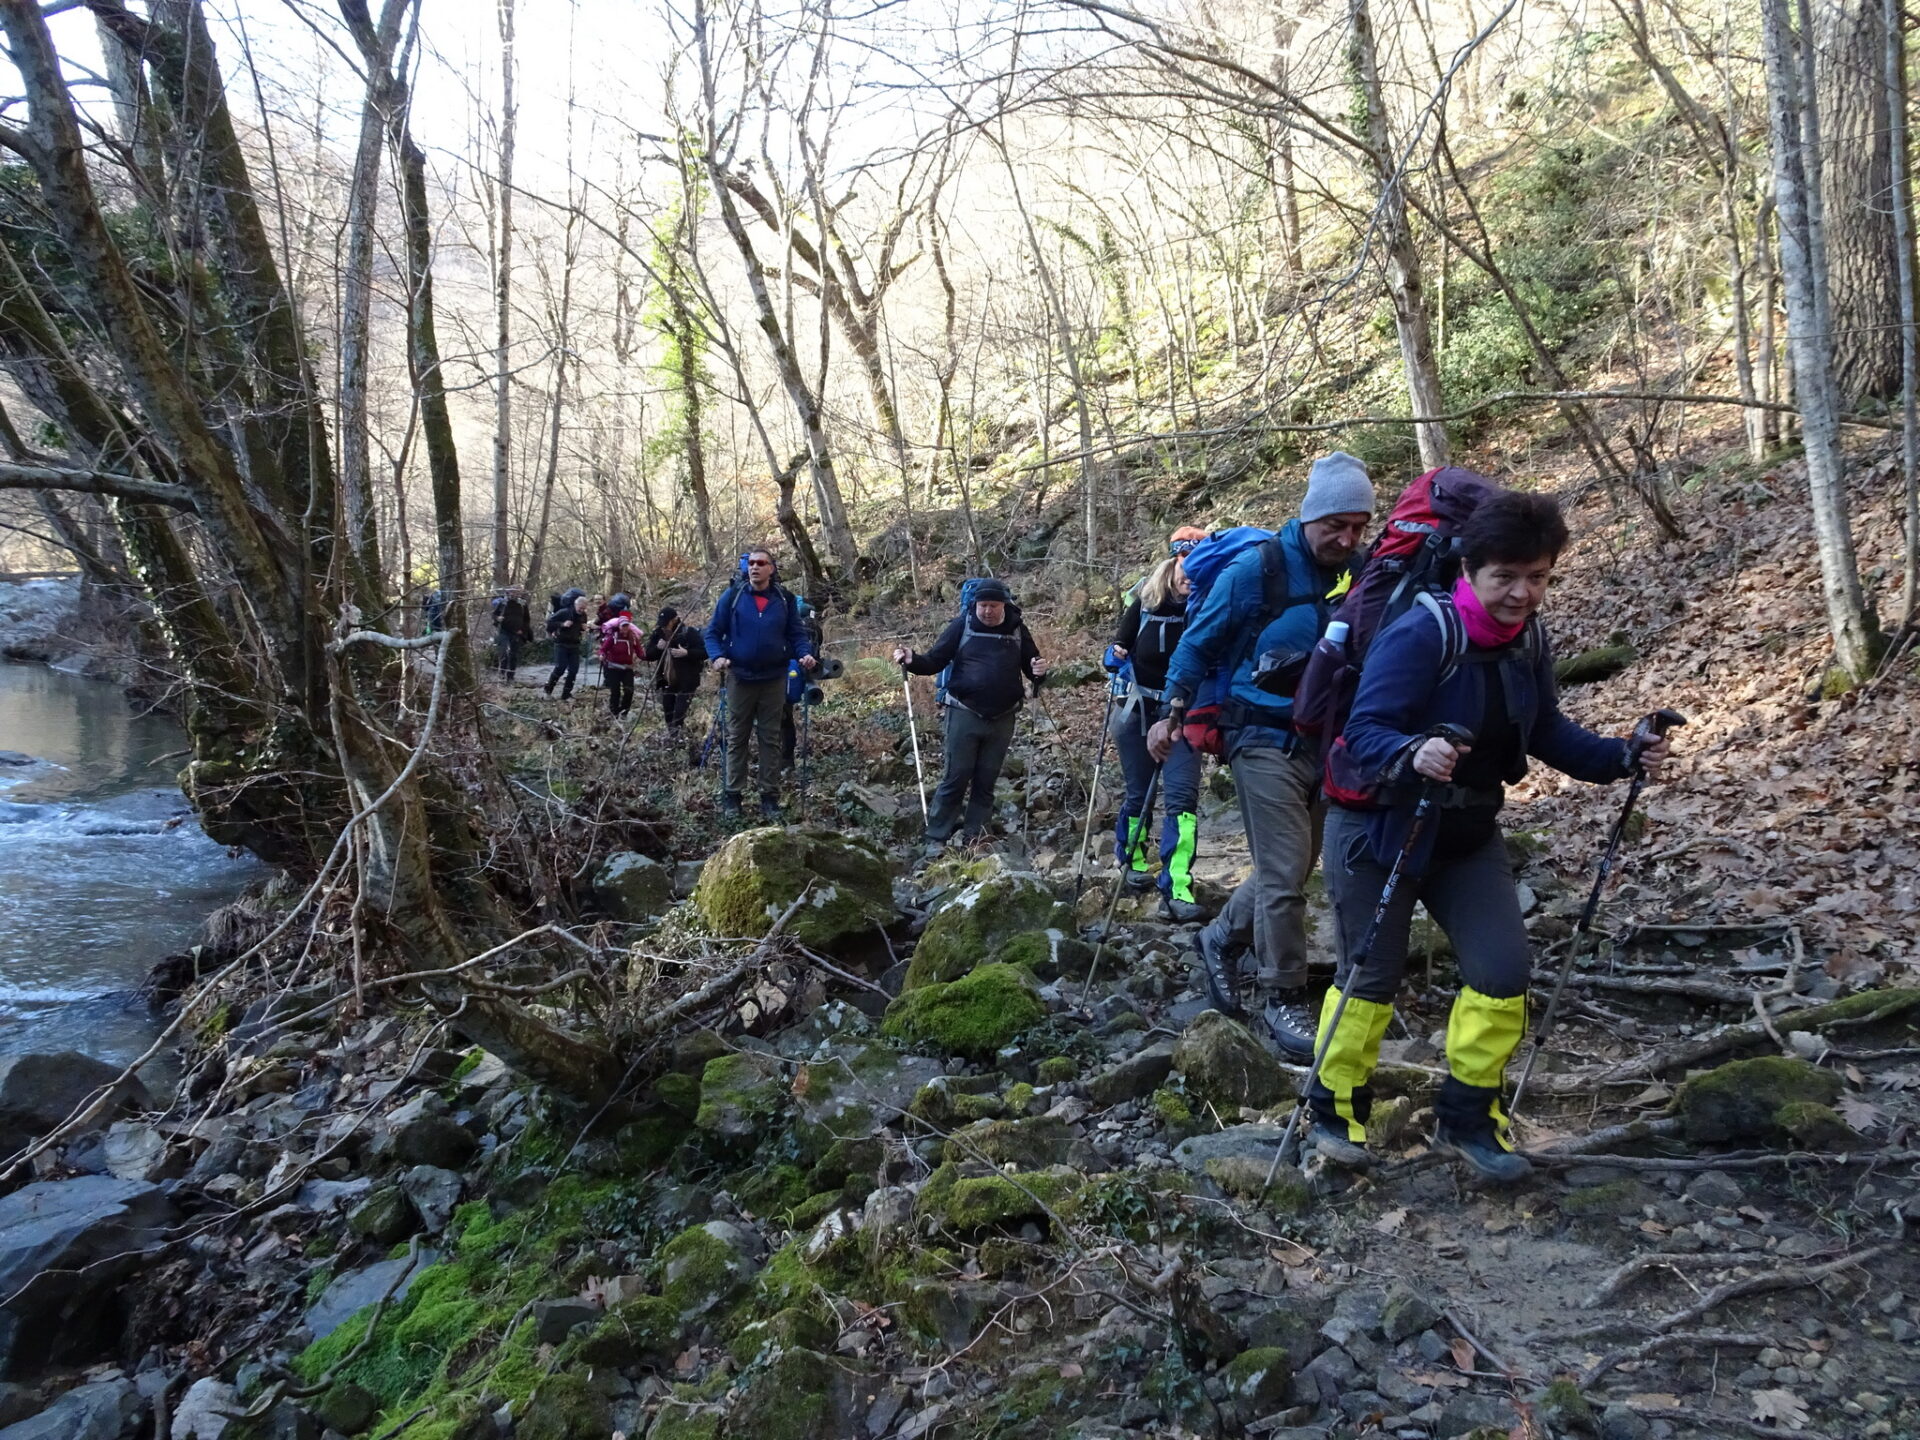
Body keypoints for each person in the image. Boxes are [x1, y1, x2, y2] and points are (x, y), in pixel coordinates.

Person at [1308, 490, 1671, 1182]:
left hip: (1467, 832)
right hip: (1381, 830)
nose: (1521, 592)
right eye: (1505, 576)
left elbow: (1545, 732)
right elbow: (1365, 731)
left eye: (1537, 577)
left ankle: (1468, 1117)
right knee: (1370, 978)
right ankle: (1335, 1110)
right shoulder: (1422, 635)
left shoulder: (1526, 640)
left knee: (1503, 972)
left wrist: (1623, 755)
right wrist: (1414, 750)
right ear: (1469, 569)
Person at [1150, 452, 1375, 1060]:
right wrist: (1171, 713)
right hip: (1258, 737)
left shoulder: (1361, 571)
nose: (1348, 538)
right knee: (1283, 874)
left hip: (1327, 740)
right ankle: (1284, 996)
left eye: (1359, 526)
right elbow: (1198, 644)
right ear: (1310, 516)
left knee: (1297, 868)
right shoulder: (1258, 569)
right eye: (1337, 525)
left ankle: (1222, 938)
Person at [893, 577, 1048, 849]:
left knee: (987, 778)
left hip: (1003, 716)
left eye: (993, 605)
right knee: (956, 775)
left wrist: (1039, 672)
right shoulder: (961, 626)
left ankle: (975, 836)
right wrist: (911, 659)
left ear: (1004, 605)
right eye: (982, 605)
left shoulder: (1017, 629)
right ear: (974, 604)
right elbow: (934, 661)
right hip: (964, 712)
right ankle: (936, 836)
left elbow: (1032, 666)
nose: (987, 611)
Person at [1109, 528, 1207, 919]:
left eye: (1199, 568)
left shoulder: (1207, 607)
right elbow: (1119, 646)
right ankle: (1131, 861)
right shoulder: (1144, 603)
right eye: (1186, 566)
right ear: (1173, 563)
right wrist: (1113, 656)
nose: (1191, 576)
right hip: (1137, 712)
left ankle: (1178, 887)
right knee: (1140, 795)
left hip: (1184, 717)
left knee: (1182, 801)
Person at [704, 549, 815, 819]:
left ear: (771, 569)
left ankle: (769, 797)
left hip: (774, 679)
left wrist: (805, 654)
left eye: (761, 563)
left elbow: (796, 634)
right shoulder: (733, 597)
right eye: (751, 563)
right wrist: (717, 657)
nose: (754, 567)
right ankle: (733, 797)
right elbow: (712, 632)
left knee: (770, 738)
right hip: (739, 677)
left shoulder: (784, 600)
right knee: (736, 737)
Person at [642, 606, 707, 736]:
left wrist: (687, 653)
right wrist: (658, 648)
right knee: (668, 713)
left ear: (675, 620)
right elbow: (648, 655)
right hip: (667, 682)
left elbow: (705, 652)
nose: (664, 627)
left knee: (679, 714)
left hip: (687, 681)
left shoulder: (688, 633)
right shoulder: (658, 634)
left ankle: (678, 739)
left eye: (667, 623)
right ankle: (672, 740)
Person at [782, 595, 826, 771]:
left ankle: (782, 762)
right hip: (799, 674)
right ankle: (786, 762)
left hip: (782, 674)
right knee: (785, 719)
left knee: (779, 720)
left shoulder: (786, 620)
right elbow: (817, 644)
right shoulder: (812, 625)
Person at [599, 594, 645, 717]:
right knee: (615, 692)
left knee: (629, 691)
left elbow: (639, 651)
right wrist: (602, 655)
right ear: (619, 626)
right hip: (613, 667)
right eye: (623, 626)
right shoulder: (612, 637)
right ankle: (614, 713)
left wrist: (645, 657)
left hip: (627, 668)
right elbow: (603, 649)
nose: (625, 629)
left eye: (626, 626)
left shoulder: (633, 637)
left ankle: (624, 712)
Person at [544, 589, 588, 699]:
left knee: (574, 670)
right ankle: (548, 690)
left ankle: (566, 694)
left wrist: (584, 628)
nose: (581, 610)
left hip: (575, 644)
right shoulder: (564, 612)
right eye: (580, 608)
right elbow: (549, 623)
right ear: (575, 605)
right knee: (560, 668)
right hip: (561, 643)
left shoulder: (583, 615)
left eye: (583, 609)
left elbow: (581, 627)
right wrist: (562, 624)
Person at [495, 586, 532, 677]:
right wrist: (497, 618)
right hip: (504, 631)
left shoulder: (522, 604)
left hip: (517, 633)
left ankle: (511, 676)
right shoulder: (503, 603)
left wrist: (522, 630)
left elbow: (526, 620)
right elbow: (494, 614)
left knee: (513, 655)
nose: (514, 594)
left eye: (517, 592)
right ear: (509, 593)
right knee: (504, 652)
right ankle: (502, 673)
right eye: (512, 592)